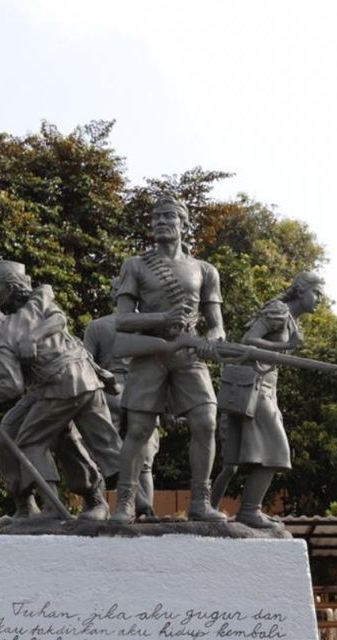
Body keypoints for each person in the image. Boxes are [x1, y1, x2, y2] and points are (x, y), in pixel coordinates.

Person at [0, 261, 120, 521]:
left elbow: (12, 386)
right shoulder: (33, 306)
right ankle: (35, 503)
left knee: (32, 441)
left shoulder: (7, 334)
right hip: (70, 382)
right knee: (44, 437)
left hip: (62, 384)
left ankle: (59, 505)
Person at [111, 195, 226, 523]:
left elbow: (217, 326)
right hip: (152, 353)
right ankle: (125, 502)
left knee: (206, 422)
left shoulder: (205, 270)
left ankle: (200, 502)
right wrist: (163, 317)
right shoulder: (135, 265)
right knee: (139, 428)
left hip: (188, 354)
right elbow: (122, 320)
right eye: (156, 217)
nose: (161, 222)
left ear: (183, 224)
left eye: (169, 217)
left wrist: (211, 342)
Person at [211, 270, 323, 527]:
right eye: (316, 293)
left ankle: (210, 510)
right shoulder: (279, 311)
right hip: (254, 389)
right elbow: (247, 341)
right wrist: (286, 347)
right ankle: (249, 510)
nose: (319, 300)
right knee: (276, 452)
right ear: (300, 290)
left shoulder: (291, 321)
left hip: (264, 391)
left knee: (232, 463)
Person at [84, 280, 158, 519]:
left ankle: (96, 508)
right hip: (144, 391)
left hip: (109, 392)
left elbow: (87, 364)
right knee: (143, 460)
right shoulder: (151, 328)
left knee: (103, 455)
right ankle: (144, 513)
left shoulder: (97, 327)